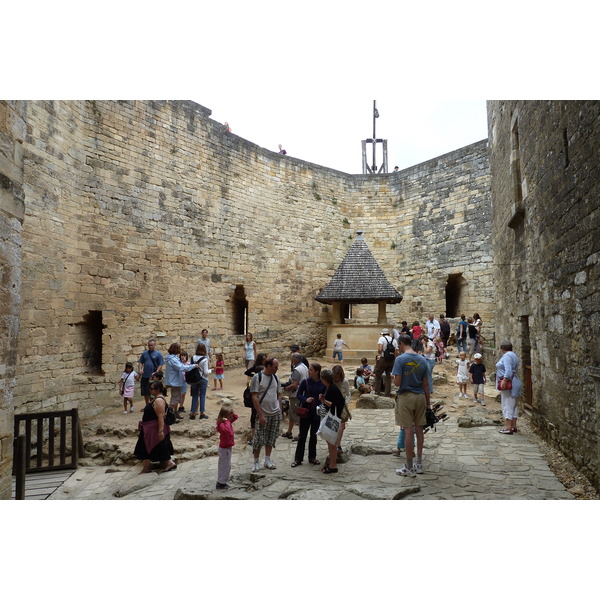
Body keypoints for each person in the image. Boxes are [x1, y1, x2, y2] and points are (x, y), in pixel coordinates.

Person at [392, 334, 431, 476]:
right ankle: (419, 463)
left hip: (406, 396)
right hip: (420, 396)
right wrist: (428, 403)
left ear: (401, 344)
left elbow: (397, 382)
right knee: (419, 429)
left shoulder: (400, 359)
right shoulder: (422, 359)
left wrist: (393, 378)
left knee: (408, 431)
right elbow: (426, 383)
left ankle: (409, 466)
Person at [134, 381, 177, 473]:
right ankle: (146, 468)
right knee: (147, 447)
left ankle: (169, 463)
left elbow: (160, 416)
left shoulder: (158, 400)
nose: (150, 390)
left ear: (157, 389)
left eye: (152, 389)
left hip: (154, 429)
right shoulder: (155, 399)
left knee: (154, 446)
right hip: (149, 429)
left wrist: (161, 431)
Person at [250, 357, 282, 472]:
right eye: (275, 367)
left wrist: (279, 410)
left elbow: (279, 394)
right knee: (258, 439)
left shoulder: (276, 378)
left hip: (275, 413)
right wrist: (261, 414)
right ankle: (255, 462)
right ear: (268, 366)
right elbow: (254, 396)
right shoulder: (257, 377)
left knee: (271, 437)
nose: (277, 369)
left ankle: (267, 460)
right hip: (263, 413)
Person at [291, 362, 326, 467]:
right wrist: (306, 399)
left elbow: (325, 395)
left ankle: (312, 457)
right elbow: (298, 394)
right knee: (302, 435)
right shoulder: (305, 382)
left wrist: (322, 399)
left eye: (311, 370)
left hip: (316, 413)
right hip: (306, 412)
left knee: (313, 436)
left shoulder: (322, 384)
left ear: (317, 372)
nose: (308, 371)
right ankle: (298, 459)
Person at [318, 368, 346, 474]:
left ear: (324, 378)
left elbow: (334, 404)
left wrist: (324, 400)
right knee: (330, 442)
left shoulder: (332, 388)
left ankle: (333, 465)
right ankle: (331, 463)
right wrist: (324, 398)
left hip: (333, 417)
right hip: (333, 416)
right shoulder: (330, 387)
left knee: (331, 442)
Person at [164, 343, 199, 418]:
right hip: (174, 381)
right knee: (175, 398)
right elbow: (181, 368)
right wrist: (193, 366)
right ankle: (169, 415)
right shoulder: (172, 359)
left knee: (178, 397)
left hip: (176, 381)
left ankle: (174, 413)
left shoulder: (173, 358)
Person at [281, 352, 309, 440]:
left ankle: (301, 434)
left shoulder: (297, 370)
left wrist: (285, 388)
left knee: (296, 414)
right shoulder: (304, 367)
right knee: (291, 413)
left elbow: (294, 385)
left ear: (294, 360)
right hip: (302, 393)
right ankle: (289, 431)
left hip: (296, 395)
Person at [496, 341, 522, 434]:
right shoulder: (513, 355)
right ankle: (514, 425)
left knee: (507, 404)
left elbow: (508, 369)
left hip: (509, 383)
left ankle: (508, 427)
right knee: (514, 405)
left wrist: (504, 380)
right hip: (515, 382)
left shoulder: (506, 356)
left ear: (502, 348)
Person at [244, 352, 267, 443]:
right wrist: (255, 376)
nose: (265, 360)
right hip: (257, 399)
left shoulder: (266, 368)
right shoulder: (258, 368)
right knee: (254, 416)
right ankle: (254, 438)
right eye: (263, 359)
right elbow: (247, 372)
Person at [216, 400, 238, 490]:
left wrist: (232, 413)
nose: (231, 418)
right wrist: (226, 421)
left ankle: (223, 481)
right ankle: (221, 482)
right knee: (224, 466)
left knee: (227, 465)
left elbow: (236, 417)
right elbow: (227, 431)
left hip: (228, 447)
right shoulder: (222, 424)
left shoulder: (226, 422)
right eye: (229, 416)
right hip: (224, 448)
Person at [137, 339, 164, 405]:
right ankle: (147, 405)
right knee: (145, 392)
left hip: (153, 377)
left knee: (153, 391)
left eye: (151, 345)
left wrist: (156, 372)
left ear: (155, 345)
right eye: (149, 345)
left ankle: (153, 404)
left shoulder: (158, 354)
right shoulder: (144, 353)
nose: (150, 347)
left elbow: (161, 364)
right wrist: (140, 369)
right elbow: (140, 362)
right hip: (145, 375)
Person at [373, 328, 398, 396]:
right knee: (388, 376)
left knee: (378, 375)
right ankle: (387, 393)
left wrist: (379, 353)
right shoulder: (394, 340)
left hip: (383, 359)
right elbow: (396, 351)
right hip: (391, 360)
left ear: (383, 334)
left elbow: (380, 349)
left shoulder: (381, 339)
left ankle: (377, 392)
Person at [189, 342, 210, 420]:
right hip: (203, 378)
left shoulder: (193, 358)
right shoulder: (205, 359)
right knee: (202, 395)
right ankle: (202, 413)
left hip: (194, 378)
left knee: (194, 395)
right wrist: (210, 371)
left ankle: (193, 413)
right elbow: (206, 372)